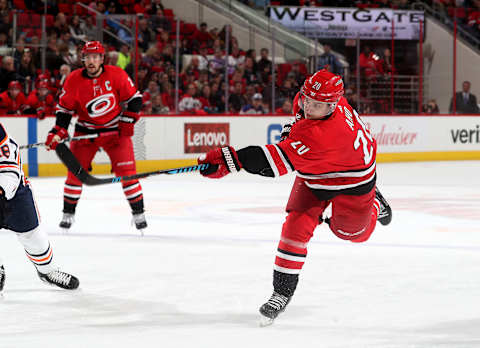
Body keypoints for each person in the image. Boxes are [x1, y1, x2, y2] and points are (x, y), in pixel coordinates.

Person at [197, 69, 392, 325]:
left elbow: (268, 163)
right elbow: (296, 132)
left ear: (333, 105)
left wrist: (228, 160)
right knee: (295, 227)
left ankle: (375, 202)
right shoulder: (323, 103)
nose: (308, 107)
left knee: (352, 234)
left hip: (354, 181)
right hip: (315, 173)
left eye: (317, 104)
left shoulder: (324, 134)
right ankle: (282, 292)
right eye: (307, 100)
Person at [44, 41, 147, 232]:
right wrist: (58, 131)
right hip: (86, 132)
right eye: (88, 57)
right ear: (83, 59)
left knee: (128, 175)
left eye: (95, 57)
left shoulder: (116, 75)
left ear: (101, 59)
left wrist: (128, 120)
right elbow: (65, 110)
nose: (91, 61)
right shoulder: (73, 80)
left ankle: (139, 214)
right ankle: (68, 215)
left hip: (115, 132)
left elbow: (135, 99)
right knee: (74, 175)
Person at [0, 122, 79, 292]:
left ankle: (47, 271)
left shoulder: (2, 139)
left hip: (13, 194)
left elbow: (9, 173)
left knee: (33, 237)